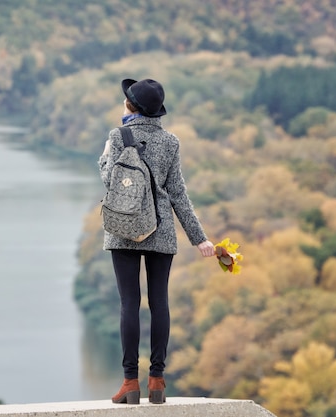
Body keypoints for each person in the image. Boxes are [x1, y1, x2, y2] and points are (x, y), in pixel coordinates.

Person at [98, 78, 215, 404]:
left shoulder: (118, 136)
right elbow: (178, 194)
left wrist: (106, 156)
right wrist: (199, 239)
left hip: (123, 230)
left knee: (129, 304)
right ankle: (158, 381)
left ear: (130, 107)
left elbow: (110, 181)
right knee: (159, 303)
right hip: (161, 231)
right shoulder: (171, 142)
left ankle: (130, 382)